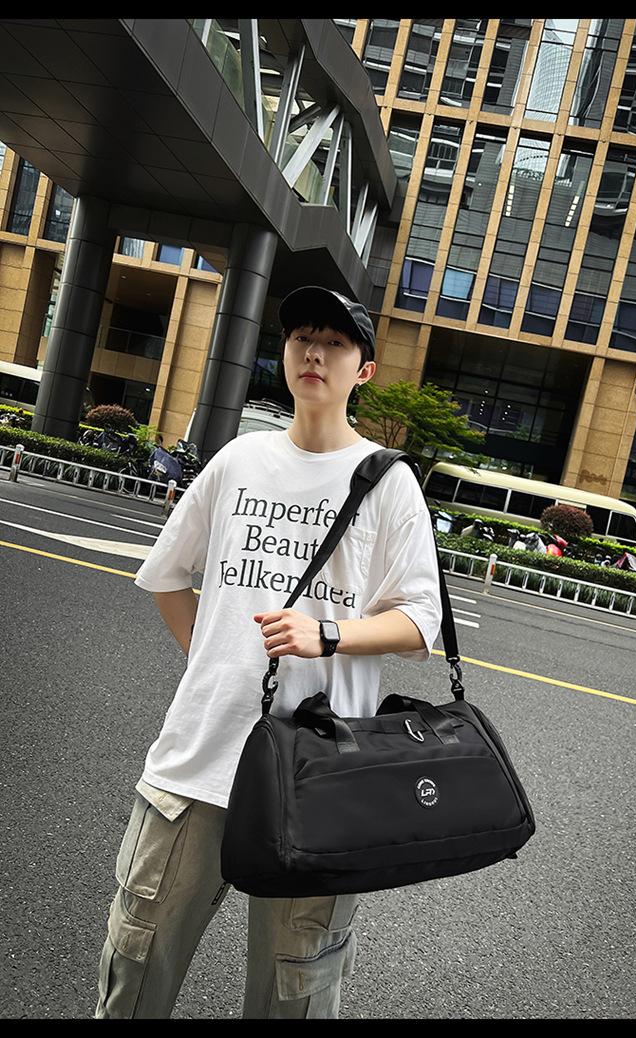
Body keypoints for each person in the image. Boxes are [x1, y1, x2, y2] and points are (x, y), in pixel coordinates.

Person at [94, 285, 443, 1019]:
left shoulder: (389, 482)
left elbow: (420, 621)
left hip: (322, 774)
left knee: (296, 988)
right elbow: (166, 577)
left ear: (364, 370)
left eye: (335, 343)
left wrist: (329, 634)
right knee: (136, 963)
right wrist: (213, 662)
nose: (314, 353)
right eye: (301, 338)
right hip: (200, 757)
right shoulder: (239, 460)